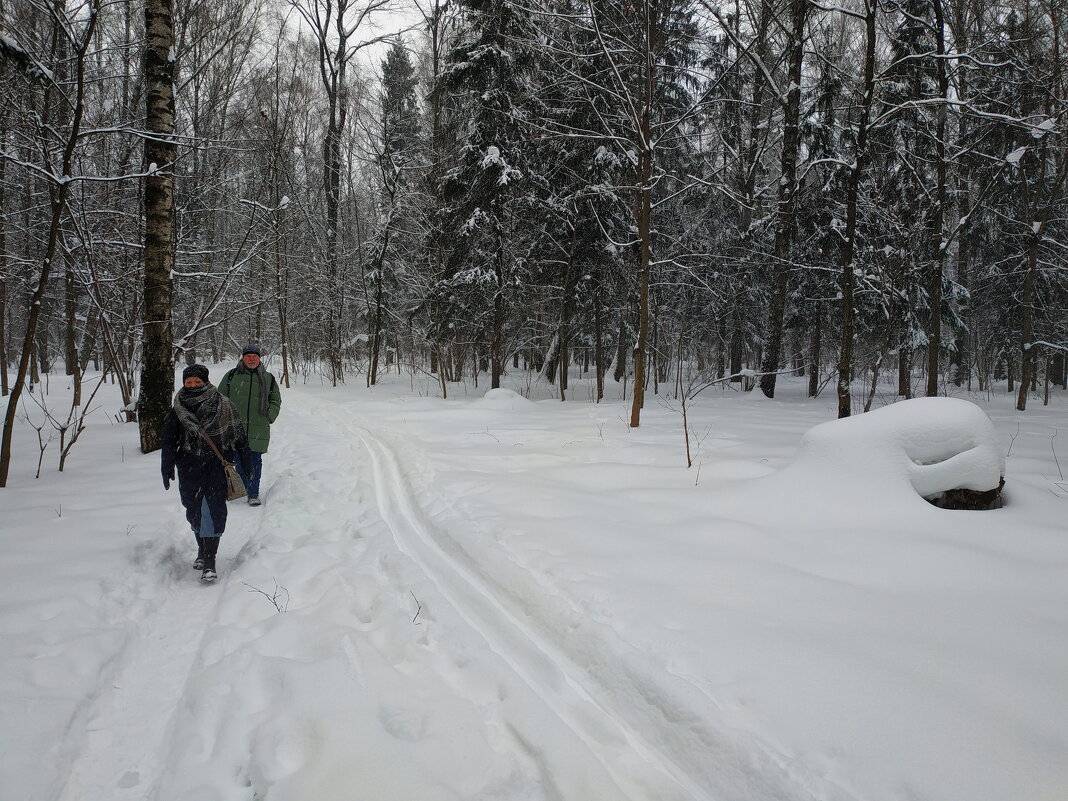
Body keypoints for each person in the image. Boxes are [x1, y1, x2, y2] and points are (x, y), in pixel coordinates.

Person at [162, 364, 253, 582]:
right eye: (188, 382)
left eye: (197, 382)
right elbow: (168, 440)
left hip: (215, 466)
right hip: (188, 466)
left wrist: (246, 461)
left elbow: (239, 434)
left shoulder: (223, 404)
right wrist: (166, 466)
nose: (192, 385)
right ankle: (201, 550)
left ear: (205, 381)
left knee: (211, 510)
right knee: (193, 510)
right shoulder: (177, 408)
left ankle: (210, 561)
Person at [219, 343, 281, 506]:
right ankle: (240, 489)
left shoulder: (268, 378)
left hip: (258, 426)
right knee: (237, 459)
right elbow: (220, 399)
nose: (251, 359)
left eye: (255, 356)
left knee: (254, 460)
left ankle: (253, 493)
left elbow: (275, 400)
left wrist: (270, 415)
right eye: (248, 356)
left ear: (259, 359)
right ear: (243, 358)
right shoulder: (231, 376)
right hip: (235, 426)